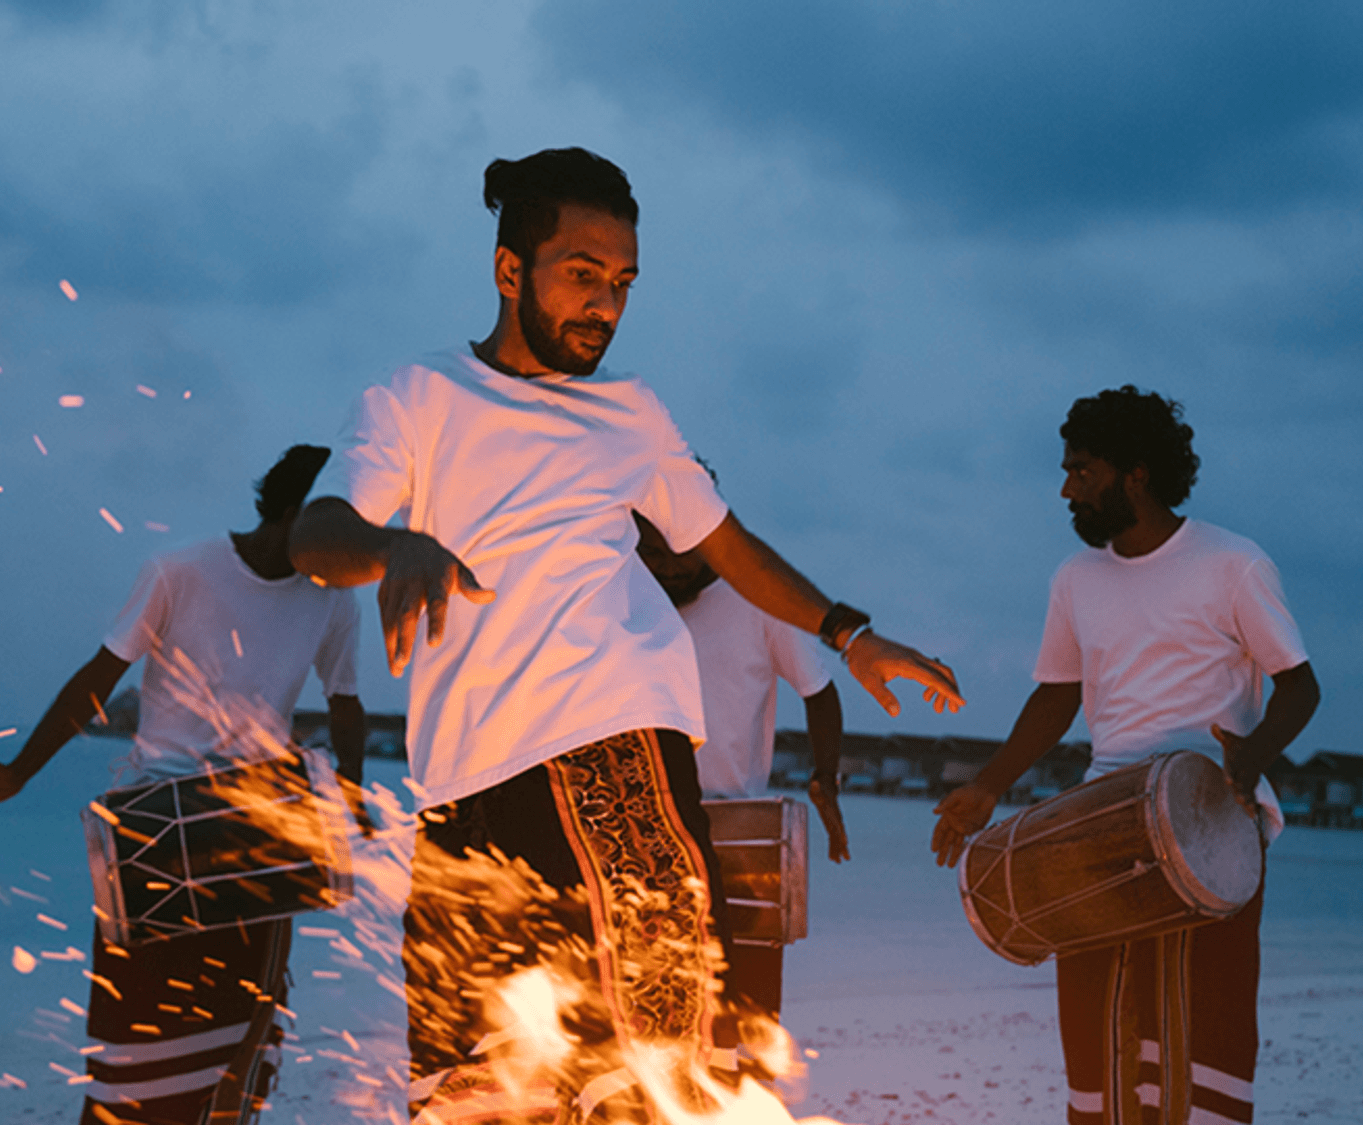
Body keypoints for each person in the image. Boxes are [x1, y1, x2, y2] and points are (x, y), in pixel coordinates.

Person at [289, 146, 962, 1121]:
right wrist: (392, 546)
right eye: (581, 274)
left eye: (622, 283)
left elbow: (725, 544)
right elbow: (316, 535)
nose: (604, 304)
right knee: (467, 1100)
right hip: (460, 796)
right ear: (508, 270)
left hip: (611, 758)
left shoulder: (630, 411)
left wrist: (846, 632)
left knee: (642, 1084)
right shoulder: (418, 397)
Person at [0, 445, 364, 1125]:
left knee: (238, 1055)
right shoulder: (180, 570)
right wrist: (19, 771)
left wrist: (350, 804)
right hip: (153, 833)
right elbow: (98, 678)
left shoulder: (334, 601)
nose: (344, 548)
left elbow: (346, 704)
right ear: (292, 512)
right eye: (333, 525)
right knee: (132, 1056)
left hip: (259, 836)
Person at [931, 386, 1321, 1125]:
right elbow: (1057, 696)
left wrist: (1253, 755)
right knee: (1099, 1037)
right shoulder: (1075, 579)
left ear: (1136, 474)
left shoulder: (1233, 564)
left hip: (1211, 821)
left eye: (1082, 470)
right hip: (1101, 822)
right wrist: (988, 785)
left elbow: (1300, 686)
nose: (1066, 488)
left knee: (1203, 1034)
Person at [633, 509, 847, 1021]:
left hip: (734, 831)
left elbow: (818, 691)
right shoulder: (627, 595)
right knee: (650, 1010)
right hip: (644, 828)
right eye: (652, 555)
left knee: (746, 1014)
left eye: (678, 554)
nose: (667, 569)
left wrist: (826, 780)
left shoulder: (758, 597)